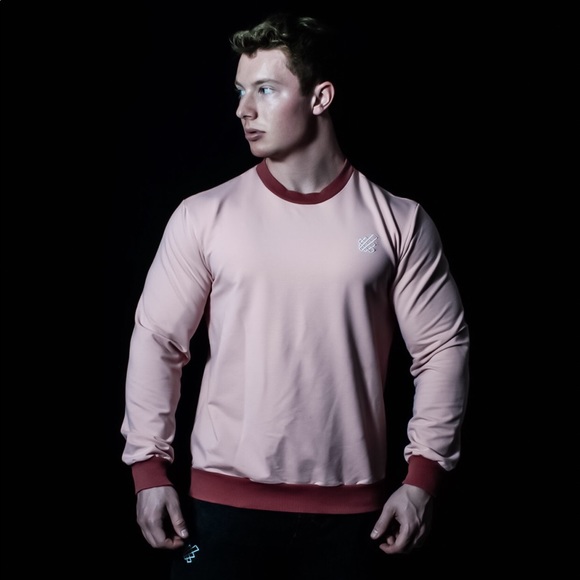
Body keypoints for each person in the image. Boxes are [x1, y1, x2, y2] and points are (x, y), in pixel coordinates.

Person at [121, 12, 470, 579]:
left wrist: (422, 479)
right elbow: (158, 340)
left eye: (265, 89)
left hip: (355, 521)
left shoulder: (398, 222)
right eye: (240, 91)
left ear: (320, 97)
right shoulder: (203, 216)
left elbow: (442, 349)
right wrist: (148, 471)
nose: (243, 109)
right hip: (216, 518)